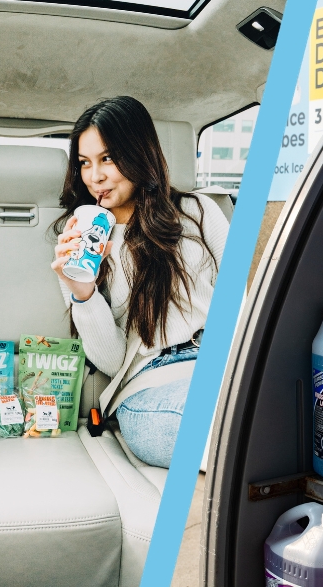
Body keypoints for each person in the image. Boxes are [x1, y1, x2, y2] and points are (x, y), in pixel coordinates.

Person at [52, 96, 227, 467]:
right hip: (150, 386)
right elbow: (112, 361)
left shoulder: (197, 212)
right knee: (222, 427)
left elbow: (244, 301)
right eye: (84, 163)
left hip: (220, 366)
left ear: (138, 154)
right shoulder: (74, 243)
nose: (94, 177)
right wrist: (82, 292)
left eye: (108, 159)